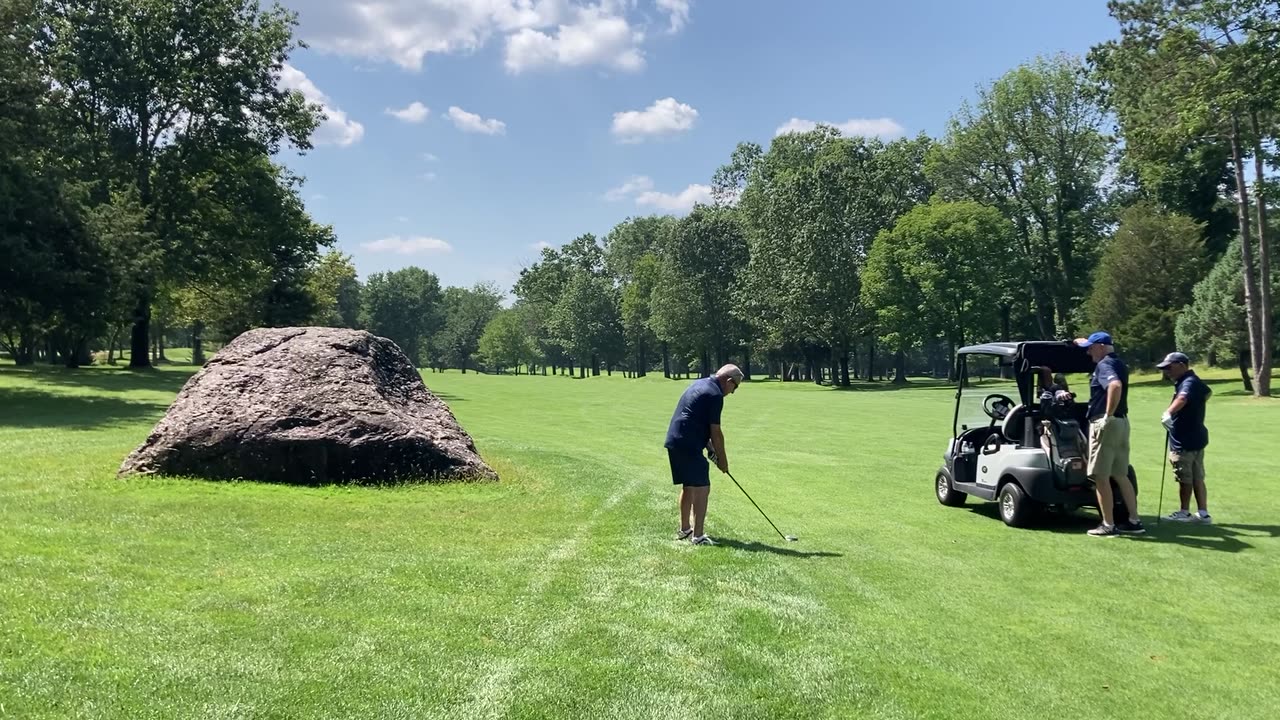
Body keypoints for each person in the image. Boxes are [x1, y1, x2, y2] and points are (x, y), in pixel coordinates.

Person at [663, 364, 743, 545]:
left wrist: (709, 448)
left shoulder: (700, 384)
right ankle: (697, 537)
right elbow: (716, 432)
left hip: (675, 440)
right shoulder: (715, 395)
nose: (732, 392)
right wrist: (723, 460)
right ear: (729, 381)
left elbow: (694, 420)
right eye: (734, 387)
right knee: (702, 487)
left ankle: (685, 530)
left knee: (689, 485)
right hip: (688, 443)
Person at [1075, 332, 1144, 536]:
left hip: (1106, 423)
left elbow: (1115, 386)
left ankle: (1108, 524)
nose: (1088, 352)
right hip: (1122, 423)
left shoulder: (1104, 365)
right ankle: (1134, 521)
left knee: (1100, 477)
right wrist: (1079, 341)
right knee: (1121, 475)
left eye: (1090, 347)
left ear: (1101, 346)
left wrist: (1107, 414)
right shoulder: (1119, 363)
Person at [1156, 352, 1213, 523]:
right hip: (1197, 436)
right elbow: (1207, 393)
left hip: (1184, 439)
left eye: (1169, 367)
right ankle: (1203, 513)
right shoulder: (1193, 380)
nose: (1167, 371)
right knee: (1197, 477)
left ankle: (1184, 512)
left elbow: (1182, 397)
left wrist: (1169, 412)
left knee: (1184, 477)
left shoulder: (1187, 382)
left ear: (1181, 365)